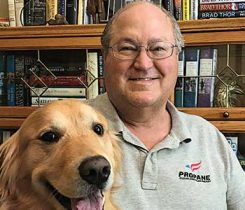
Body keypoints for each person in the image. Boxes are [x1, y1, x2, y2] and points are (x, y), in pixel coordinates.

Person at [87, 1, 245, 209]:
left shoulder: (208, 137)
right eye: (127, 48)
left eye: (158, 48)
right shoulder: (61, 133)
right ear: (105, 56)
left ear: (177, 58)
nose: (143, 64)